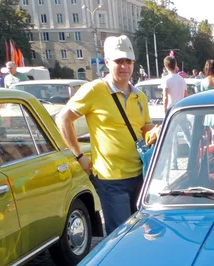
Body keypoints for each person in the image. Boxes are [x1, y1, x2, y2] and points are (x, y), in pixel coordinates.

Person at [57, 35, 154, 235]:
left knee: (140, 234)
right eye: (119, 61)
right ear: (107, 62)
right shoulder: (94, 90)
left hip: (141, 175)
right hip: (111, 180)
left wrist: (163, 132)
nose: (124, 66)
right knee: (120, 236)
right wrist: (79, 156)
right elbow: (62, 119)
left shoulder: (140, 96)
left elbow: (146, 132)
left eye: (128, 61)